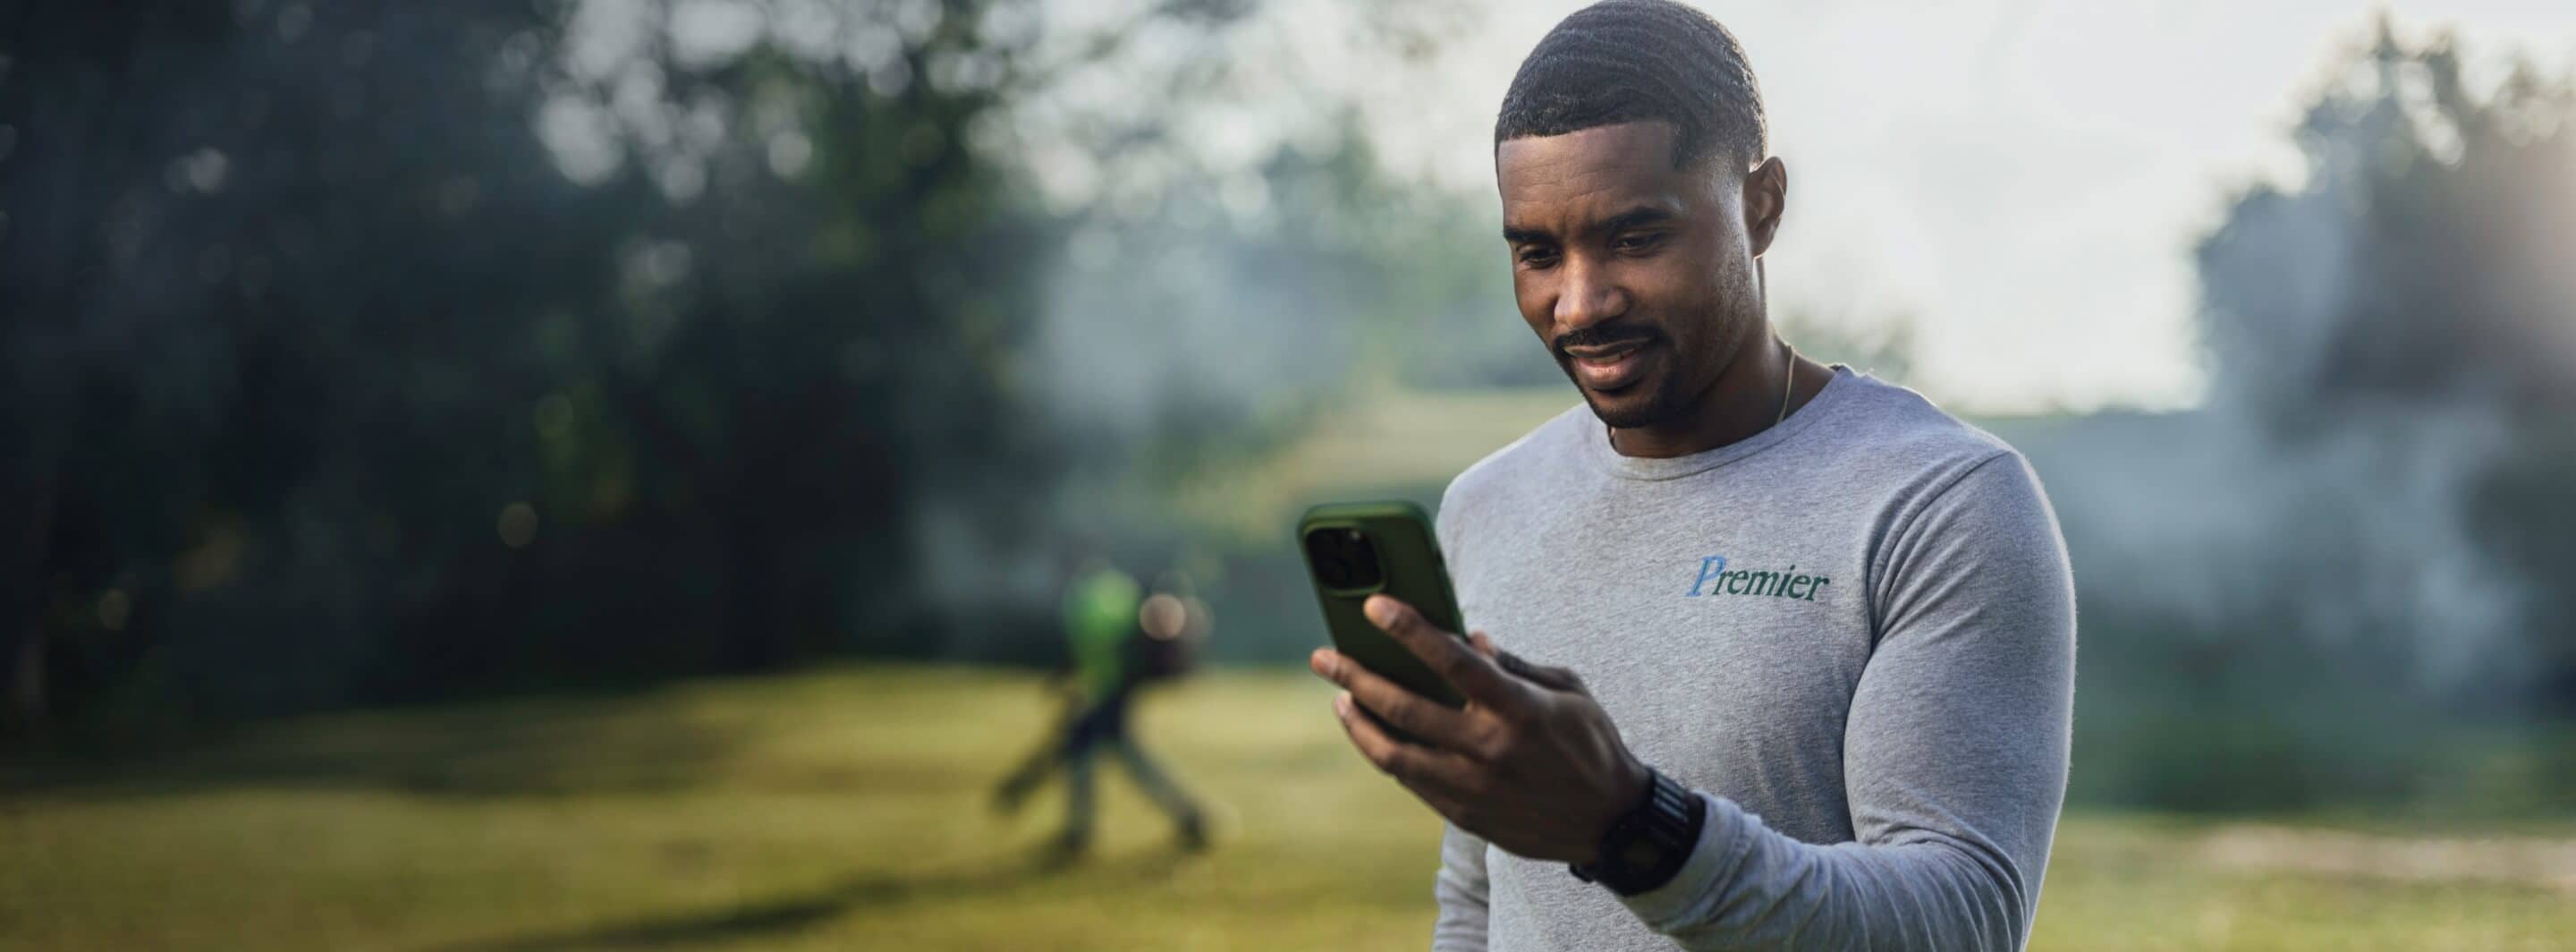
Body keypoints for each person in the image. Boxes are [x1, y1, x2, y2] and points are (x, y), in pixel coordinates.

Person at [1303, 3, 2076, 949]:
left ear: (1763, 206)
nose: (1579, 302)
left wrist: (1632, 825)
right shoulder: (1486, 505)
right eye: (1537, 252)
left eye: (1634, 238)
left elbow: (1963, 917)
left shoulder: (1940, 504)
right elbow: (1482, 898)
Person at [992, 558, 1209, 861]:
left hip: (1115, 687)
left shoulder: (1087, 599)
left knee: (1094, 750)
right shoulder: (1109, 591)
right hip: (1115, 686)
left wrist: (1068, 675)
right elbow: (1093, 647)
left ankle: (1081, 832)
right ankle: (1189, 818)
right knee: (1115, 754)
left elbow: (1094, 645)